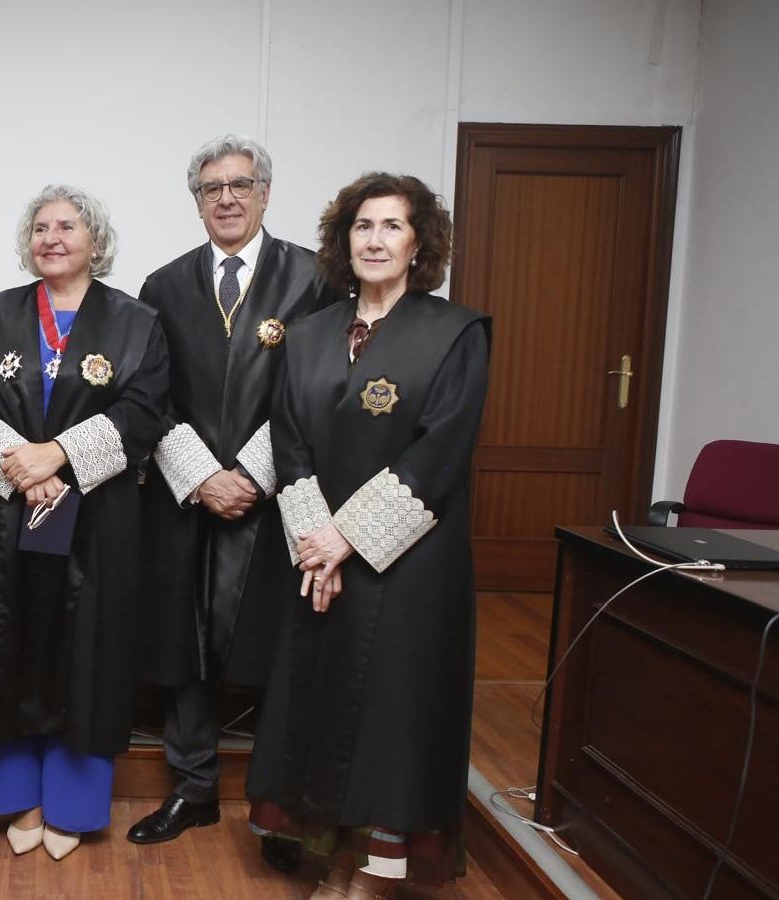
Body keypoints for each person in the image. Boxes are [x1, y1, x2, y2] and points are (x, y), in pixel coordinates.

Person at [246, 172, 490, 899]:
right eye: (362, 226)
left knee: (389, 716)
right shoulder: (310, 334)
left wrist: (345, 539)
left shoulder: (455, 334)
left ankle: (374, 875)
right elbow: (288, 439)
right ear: (343, 240)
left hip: (410, 561)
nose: (375, 240)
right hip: (320, 556)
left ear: (419, 244)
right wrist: (315, 541)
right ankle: (333, 862)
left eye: (392, 226)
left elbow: (439, 453)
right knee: (321, 705)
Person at [130, 134, 334, 872]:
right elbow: (147, 395)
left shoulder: (315, 279)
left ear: (266, 193)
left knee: (284, 650)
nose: (226, 198)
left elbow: (319, 390)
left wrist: (250, 472)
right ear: (196, 201)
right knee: (185, 647)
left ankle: (281, 811)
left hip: (280, 494)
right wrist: (201, 476)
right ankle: (193, 789)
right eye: (211, 187)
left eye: (240, 184)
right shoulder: (163, 285)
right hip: (186, 496)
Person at [0, 184, 169, 861]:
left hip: (96, 518)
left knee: (85, 654)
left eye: (67, 226)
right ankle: (18, 797)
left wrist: (61, 455)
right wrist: (25, 465)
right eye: (41, 227)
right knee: (6, 644)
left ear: (95, 241)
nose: (52, 238)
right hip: (3, 513)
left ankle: (73, 804)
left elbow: (145, 410)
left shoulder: (137, 322)